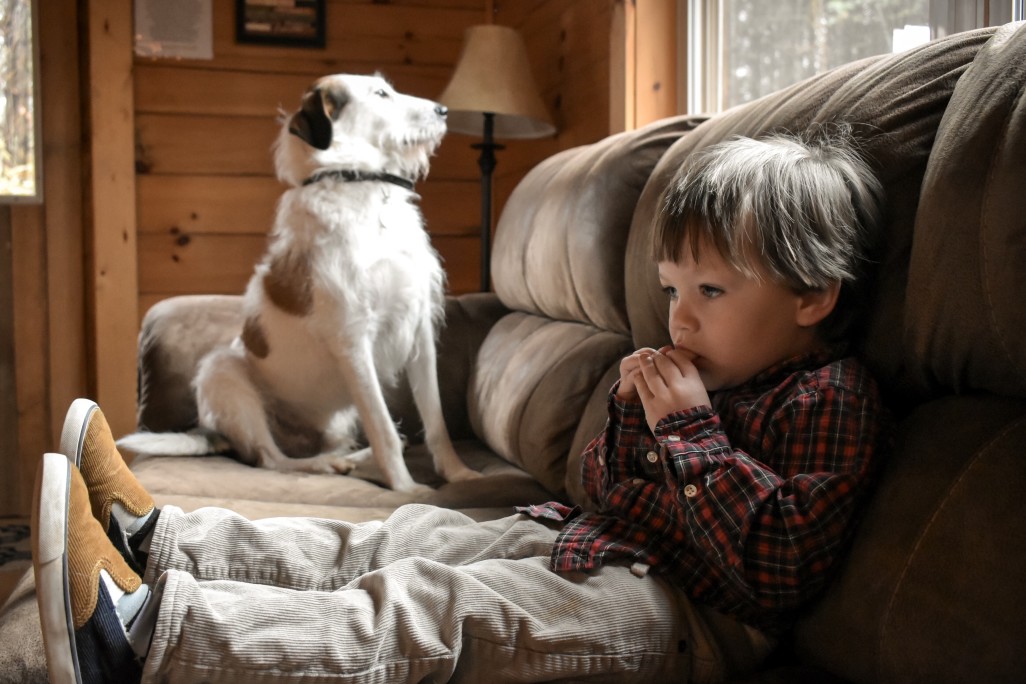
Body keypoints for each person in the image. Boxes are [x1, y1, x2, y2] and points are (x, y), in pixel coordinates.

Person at [32, 126, 891, 684]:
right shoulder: (701, 370)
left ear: (813, 296)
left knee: (433, 612)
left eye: (710, 289)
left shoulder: (828, 397)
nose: (680, 316)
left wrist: (688, 433)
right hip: (588, 540)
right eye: (671, 288)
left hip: (690, 620)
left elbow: (779, 565)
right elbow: (601, 487)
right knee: (401, 538)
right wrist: (634, 421)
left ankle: (149, 643)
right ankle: (159, 541)